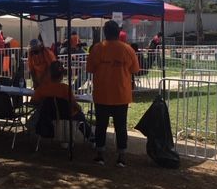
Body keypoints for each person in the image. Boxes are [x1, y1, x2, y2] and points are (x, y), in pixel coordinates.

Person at [86, 20, 140, 167]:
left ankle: (100, 155)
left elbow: (90, 69)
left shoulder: (97, 48)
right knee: (121, 127)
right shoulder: (128, 49)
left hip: (102, 94)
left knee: (101, 126)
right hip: (121, 95)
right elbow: (134, 70)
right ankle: (121, 157)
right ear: (118, 32)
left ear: (105, 32)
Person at [32, 61, 92, 140]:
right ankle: (91, 137)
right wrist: (79, 107)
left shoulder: (42, 88)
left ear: (49, 74)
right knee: (80, 116)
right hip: (67, 115)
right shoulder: (65, 88)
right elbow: (74, 104)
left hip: (49, 117)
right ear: (61, 76)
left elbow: (33, 102)